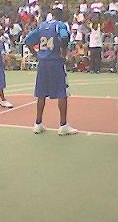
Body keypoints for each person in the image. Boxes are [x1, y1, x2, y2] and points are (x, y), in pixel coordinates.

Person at [24, 7, 78, 135]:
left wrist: (36, 54)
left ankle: (38, 123)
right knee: (62, 92)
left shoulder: (42, 26)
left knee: (41, 93)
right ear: (61, 15)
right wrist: (64, 53)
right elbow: (64, 38)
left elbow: (28, 40)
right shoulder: (60, 25)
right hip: (55, 62)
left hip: (43, 63)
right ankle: (63, 125)